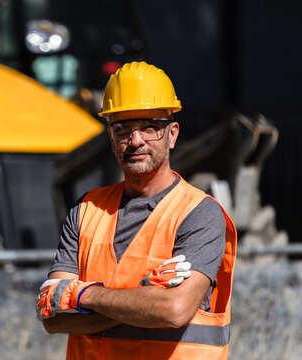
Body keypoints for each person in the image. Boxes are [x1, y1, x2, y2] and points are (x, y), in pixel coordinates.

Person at [36, 61, 237, 359]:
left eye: (149, 127)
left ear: (172, 134)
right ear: (110, 137)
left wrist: (82, 294)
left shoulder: (199, 213)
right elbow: (53, 318)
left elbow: (173, 310)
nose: (136, 140)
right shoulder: (85, 210)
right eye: (123, 129)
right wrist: (145, 295)